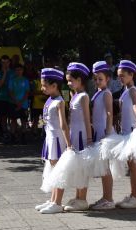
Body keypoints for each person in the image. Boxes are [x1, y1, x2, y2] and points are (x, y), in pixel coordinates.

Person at [35, 68, 72, 214]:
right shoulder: (50, 99)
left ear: (54, 85)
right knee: (52, 169)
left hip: (57, 139)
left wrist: (68, 144)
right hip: (50, 138)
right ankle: (52, 200)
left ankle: (57, 202)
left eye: (44, 85)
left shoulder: (60, 101)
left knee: (59, 171)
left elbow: (63, 125)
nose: (42, 88)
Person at [115, 60, 136, 209]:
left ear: (131, 75)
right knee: (131, 165)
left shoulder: (132, 90)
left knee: (134, 166)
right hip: (125, 131)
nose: (120, 78)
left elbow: (135, 105)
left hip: (132, 131)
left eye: (122, 76)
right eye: (118, 76)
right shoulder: (125, 90)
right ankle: (133, 195)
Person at [62, 62, 92, 211]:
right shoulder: (75, 95)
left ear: (80, 80)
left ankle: (83, 199)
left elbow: (87, 119)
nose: (68, 83)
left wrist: (89, 138)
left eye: (70, 80)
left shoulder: (84, 97)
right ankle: (77, 196)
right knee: (77, 167)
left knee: (82, 167)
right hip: (74, 134)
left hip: (81, 135)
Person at [88, 61, 116, 210]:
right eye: (96, 79)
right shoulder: (98, 92)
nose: (98, 81)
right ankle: (106, 197)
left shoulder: (106, 93)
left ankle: (109, 199)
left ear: (107, 79)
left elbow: (109, 113)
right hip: (99, 130)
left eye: (101, 79)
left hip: (104, 132)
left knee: (105, 168)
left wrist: (107, 133)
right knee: (103, 167)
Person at [8, 64, 29, 144]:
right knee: (13, 121)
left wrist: (21, 102)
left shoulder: (25, 80)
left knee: (24, 121)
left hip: (23, 104)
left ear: (22, 71)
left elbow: (27, 92)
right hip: (13, 103)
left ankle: (23, 138)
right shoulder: (12, 80)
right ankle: (13, 138)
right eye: (17, 70)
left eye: (20, 70)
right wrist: (16, 102)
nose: (18, 71)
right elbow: (10, 92)